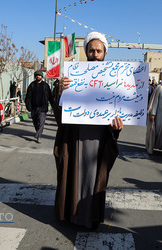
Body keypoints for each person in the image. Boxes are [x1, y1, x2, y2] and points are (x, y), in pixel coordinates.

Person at [53, 31, 123, 229]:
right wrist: (61, 92)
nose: (94, 54)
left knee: (94, 177)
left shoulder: (115, 79)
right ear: (86, 53)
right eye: (91, 51)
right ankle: (72, 215)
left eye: (98, 51)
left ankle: (90, 217)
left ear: (105, 54)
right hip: (76, 136)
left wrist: (117, 127)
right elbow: (60, 114)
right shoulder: (73, 77)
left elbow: (121, 108)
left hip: (100, 139)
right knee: (74, 175)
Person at [25, 70, 54, 143]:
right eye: (37, 75)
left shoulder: (45, 85)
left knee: (41, 122)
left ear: (42, 76)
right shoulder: (32, 85)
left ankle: (38, 136)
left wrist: (53, 105)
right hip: (34, 107)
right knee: (35, 122)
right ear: (35, 77)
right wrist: (28, 106)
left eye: (39, 75)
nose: (38, 76)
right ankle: (38, 132)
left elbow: (50, 96)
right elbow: (28, 96)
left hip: (43, 107)